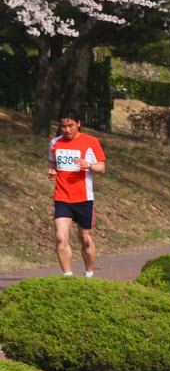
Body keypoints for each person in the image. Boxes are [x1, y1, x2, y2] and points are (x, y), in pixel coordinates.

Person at [48, 110, 106, 277]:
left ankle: (89, 274)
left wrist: (88, 165)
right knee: (60, 237)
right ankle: (68, 276)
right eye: (63, 126)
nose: (67, 130)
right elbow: (52, 163)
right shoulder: (55, 143)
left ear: (78, 124)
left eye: (70, 126)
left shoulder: (91, 142)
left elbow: (101, 168)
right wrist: (52, 172)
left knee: (86, 240)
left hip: (84, 198)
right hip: (62, 197)